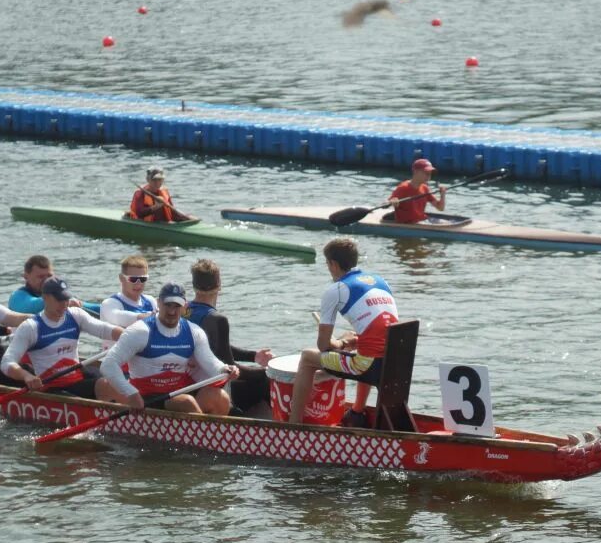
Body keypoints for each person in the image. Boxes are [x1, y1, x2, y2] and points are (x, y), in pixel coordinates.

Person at [288, 238, 397, 425]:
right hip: (394, 360)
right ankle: (357, 413)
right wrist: (356, 340)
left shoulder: (336, 290)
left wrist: (343, 342)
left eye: (327, 264)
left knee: (307, 358)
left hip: (368, 365)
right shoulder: (381, 282)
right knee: (363, 349)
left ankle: (292, 428)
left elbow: (323, 346)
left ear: (333, 264)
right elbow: (379, 328)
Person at [97, 283, 238, 415]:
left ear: (185, 307)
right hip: (145, 398)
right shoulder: (140, 331)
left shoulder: (194, 332)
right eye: (167, 305)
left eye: (177, 306)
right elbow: (108, 364)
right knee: (186, 402)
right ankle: (205, 436)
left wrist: (224, 369)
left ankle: (210, 434)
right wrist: (130, 393)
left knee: (220, 398)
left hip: (178, 392)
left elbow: (209, 361)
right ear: (158, 303)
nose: (171, 311)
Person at [0, 277, 122, 398]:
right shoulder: (31, 327)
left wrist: (130, 336)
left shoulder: (75, 315)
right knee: (106, 386)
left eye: (66, 299)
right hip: (51, 386)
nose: (64, 304)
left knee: (114, 380)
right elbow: (6, 362)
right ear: (45, 297)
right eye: (59, 300)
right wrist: (26, 376)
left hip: (75, 376)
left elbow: (105, 330)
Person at [186, 258, 273, 415]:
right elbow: (229, 368)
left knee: (258, 376)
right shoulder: (217, 319)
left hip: (187, 384)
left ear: (193, 286)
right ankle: (277, 429)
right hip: (209, 390)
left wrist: (254, 356)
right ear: (219, 285)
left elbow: (216, 346)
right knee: (265, 380)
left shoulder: (183, 310)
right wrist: (265, 372)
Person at [7, 254, 99, 315]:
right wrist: (63, 301)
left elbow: (90, 307)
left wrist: (110, 305)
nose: (46, 280)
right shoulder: (17, 297)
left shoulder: (60, 297)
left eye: (49, 276)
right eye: (40, 277)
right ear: (26, 277)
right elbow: (32, 306)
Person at [98, 255, 156, 348]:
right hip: (117, 359)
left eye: (142, 279)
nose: (138, 283)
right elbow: (120, 318)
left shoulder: (151, 301)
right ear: (121, 278)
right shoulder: (109, 304)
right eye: (133, 279)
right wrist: (152, 317)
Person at [387, 158, 446, 224]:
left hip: (422, 221)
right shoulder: (403, 187)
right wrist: (393, 201)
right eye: (426, 172)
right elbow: (386, 203)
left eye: (430, 173)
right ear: (415, 172)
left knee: (446, 222)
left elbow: (440, 208)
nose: (429, 176)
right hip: (409, 224)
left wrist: (442, 195)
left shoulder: (425, 188)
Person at [129, 168, 193, 223]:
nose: (157, 183)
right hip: (147, 224)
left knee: (188, 218)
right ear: (148, 180)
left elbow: (172, 212)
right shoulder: (140, 193)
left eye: (159, 179)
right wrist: (155, 207)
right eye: (154, 180)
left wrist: (185, 217)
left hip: (164, 224)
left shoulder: (164, 191)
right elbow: (139, 213)